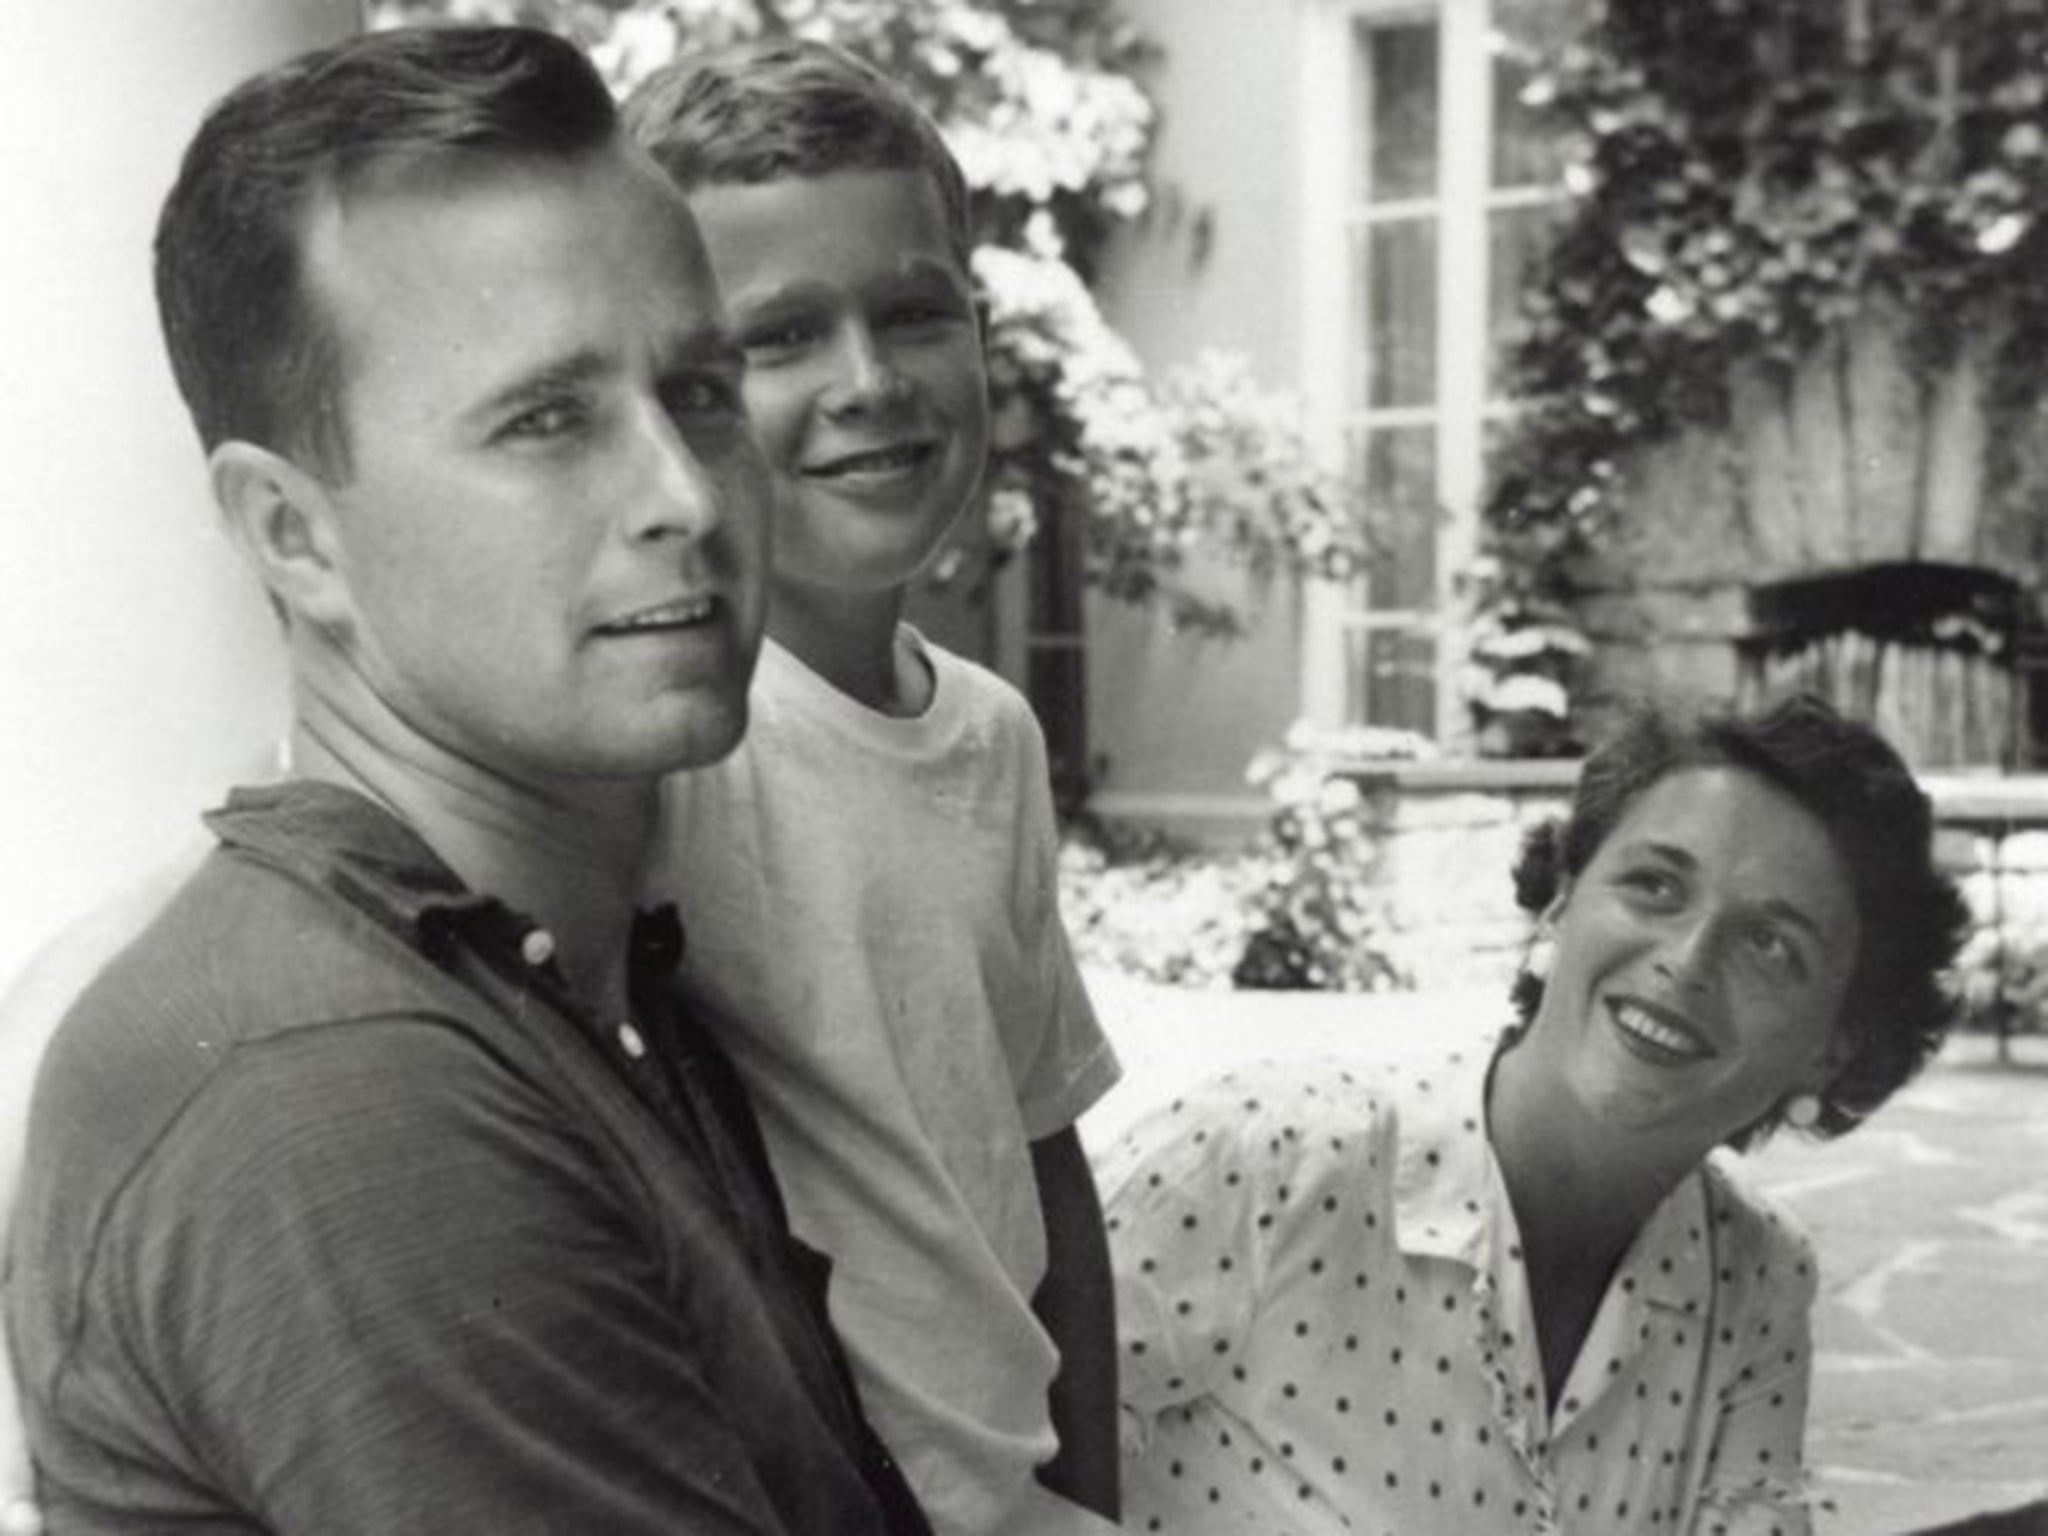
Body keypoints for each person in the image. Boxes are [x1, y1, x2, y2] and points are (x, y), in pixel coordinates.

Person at [3, 26, 931, 1534]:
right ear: (293, 536)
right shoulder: (337, 1090)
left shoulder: (559, 964)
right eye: (547, 420)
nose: (684, 498)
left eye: (698, 391)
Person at [621, 41, 1122, 1536]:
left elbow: (1043, 1150)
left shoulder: (993, 737)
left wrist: (1094, 1491)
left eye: (916, 312)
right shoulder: (662, 744)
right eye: (780, 337)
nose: (869, 383)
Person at [1099, 693, 1969, 1535]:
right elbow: (975, 1450)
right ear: (1561, 902)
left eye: (1771, 946)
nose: (1688, 960)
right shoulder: (1272, 1159)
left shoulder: (1756, 1278)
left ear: (1838, 1045)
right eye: (1656, 886)